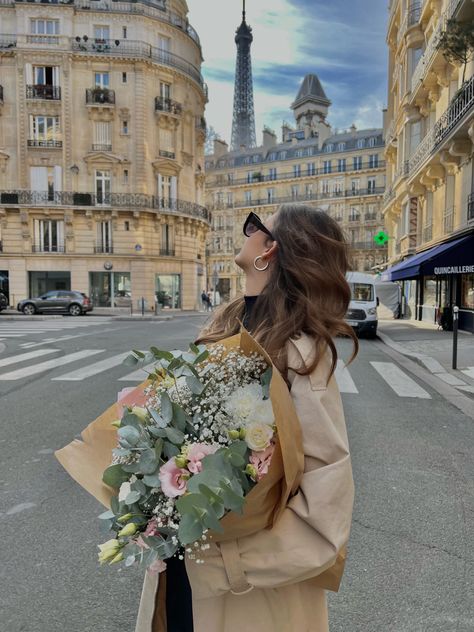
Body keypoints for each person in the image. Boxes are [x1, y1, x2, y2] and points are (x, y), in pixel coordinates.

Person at [136, 204, 358, 632]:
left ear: (269, 250)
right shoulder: (226, 325)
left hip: (247, 585)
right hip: (186, 560)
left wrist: (228, 564)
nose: (245, 232)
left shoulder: (302, 355)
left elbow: (326, 505)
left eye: (254, 225)